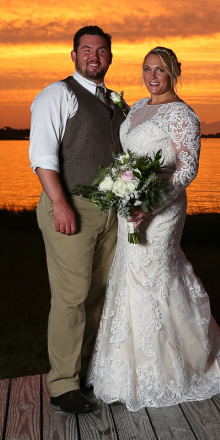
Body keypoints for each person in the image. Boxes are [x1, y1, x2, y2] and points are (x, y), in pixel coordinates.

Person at [88, 46, 220, 410]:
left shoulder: (183, 115)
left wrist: (150, 204)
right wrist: (124, 189)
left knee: (155, 274)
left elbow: (186, 170)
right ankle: (125, 372)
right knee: (129, 276)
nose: (152, 76)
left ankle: (172, 371)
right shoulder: (139, 107)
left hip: (163, 208)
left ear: (174, 72)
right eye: (146, 69)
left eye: (159, 70)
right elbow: (128, 158)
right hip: (132, 204)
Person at [29, 25, 128, 414]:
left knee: (98, 296)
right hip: (72, 205)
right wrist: (60, 203)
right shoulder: (57, 94)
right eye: (86, 49)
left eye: (101, 51)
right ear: (73, 55)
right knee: (70, 297)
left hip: (110, 210)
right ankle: (63, 385)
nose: (94, 56)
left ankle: (87, 372)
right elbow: (42, 156)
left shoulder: (115, 102)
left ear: (109, 57)